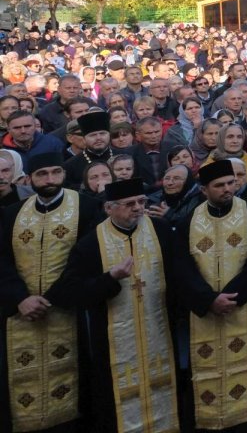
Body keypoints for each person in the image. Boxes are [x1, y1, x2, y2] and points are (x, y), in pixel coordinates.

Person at [57, 178, 181, 433]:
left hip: (160, 329)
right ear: (109, 208)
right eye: (129, 204)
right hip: (112, 340)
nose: (138, 208)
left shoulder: (160, 230)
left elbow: (180, 276)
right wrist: (110, 278)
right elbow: (72, 291)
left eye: (141, 202)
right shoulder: (91, 243)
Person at [0, 151, 103, 433]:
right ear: (29, 178)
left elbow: (86, 259)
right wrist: (21, 298)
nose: (50, 180)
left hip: (70, 311)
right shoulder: (12, 213)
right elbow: (2, 261)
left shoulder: (87, 207)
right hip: (20, 313)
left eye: (56, 172)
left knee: (77, 392)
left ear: (64, 173)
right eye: (42, 174)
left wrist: (53, 298)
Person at [173, 159, 247, 433]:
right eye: (219, 185)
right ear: (203, 190)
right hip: (205, 310)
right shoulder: (187, 221)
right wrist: (208, 300)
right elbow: (182, 267)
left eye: (231, 183)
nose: (228, 189)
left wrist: (232, 297)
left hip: (244, 306)